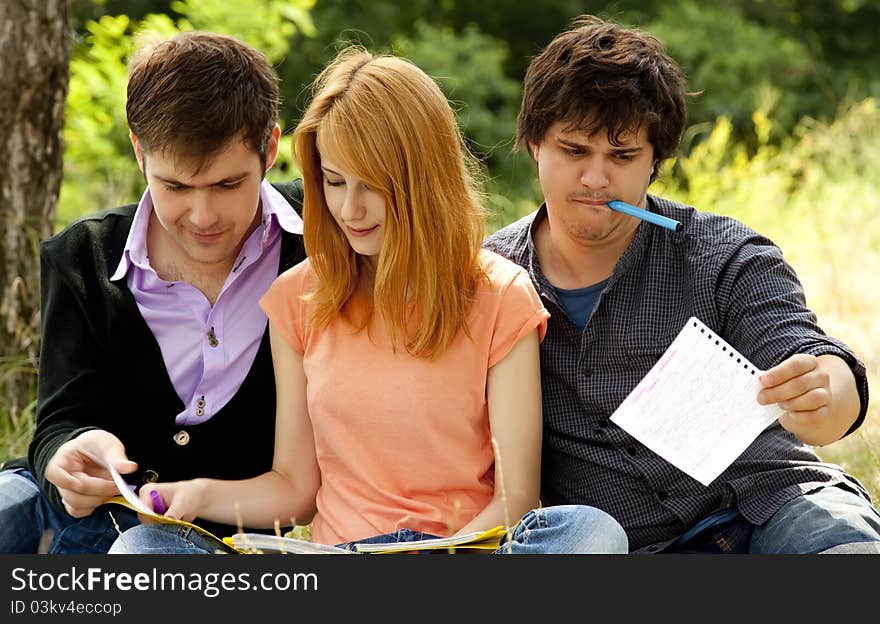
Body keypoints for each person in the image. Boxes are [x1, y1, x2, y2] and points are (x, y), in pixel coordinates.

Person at [108, 47, 628, 555]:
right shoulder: (299, 297)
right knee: (141, 550)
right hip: (340, 562)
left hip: (461, 553)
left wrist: (439, 556)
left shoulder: (501, 296)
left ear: (421, 180)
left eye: (372, 186)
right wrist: (199, 494)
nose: (349, 208)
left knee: (591, 534)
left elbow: (515, 499)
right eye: (334, 182)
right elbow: (295, 490)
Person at [483, 15, 880, 554]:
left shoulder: (722, 253)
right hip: (624, 546)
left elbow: (812, 357)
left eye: (622, 157)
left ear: (655, 162)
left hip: (772, 505)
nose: (596, 180)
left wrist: (825, 391)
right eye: (574, 151)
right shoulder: (491, 280)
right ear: (534, 145)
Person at [0, 31, 308, 553]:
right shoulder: (83, 256)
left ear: (271, 148)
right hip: (68, 510)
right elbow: (58, 419)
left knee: (140, 556)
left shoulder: (320, 242)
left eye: (229, 185)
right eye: (176, 187)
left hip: (205, 541)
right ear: (139, 151)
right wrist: (67, 454)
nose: (203, 216)